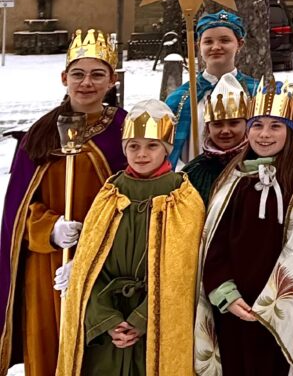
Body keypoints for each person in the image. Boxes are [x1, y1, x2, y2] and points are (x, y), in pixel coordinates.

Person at [1, 29, 127, 376]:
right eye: (78, 74)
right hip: (47, 270)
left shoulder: (125, 130)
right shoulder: (40, 133)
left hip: (106, 265)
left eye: (97, 74)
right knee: (50, 350)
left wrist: (93, 246)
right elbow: (18, 210)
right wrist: (50, 229)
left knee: (98, 353)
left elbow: (139, 198)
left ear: (111, 80)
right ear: (64, 78)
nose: (87, 83)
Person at [54, 100, 205, 376]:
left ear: (166, 150)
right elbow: (91, 267)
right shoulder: (110, 195)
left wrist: (142, 319)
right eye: (133, 145)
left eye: (152, 145)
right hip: (105, 334)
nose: (142, 154)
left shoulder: (182, 199)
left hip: (155, 329)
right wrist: (108, 319)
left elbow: (183, 276)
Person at [195, 79, 293, 376]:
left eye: (275, 126)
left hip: (277, 314)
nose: (265, 135)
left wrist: (271, 303)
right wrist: (223, 291)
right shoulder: (235, 175)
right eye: (257, 126)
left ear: (290, 131)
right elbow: (214, 239)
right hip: (232, 306)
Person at [163, 9, 258, 167]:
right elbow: (168, 148)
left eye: (224, 40)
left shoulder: (255, 92)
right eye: (208, 42)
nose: (216, 47)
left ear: (239, 44)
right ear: (198, 46)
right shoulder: (180, 98)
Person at [181, 74, 251, 205]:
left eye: (233, 123)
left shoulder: (259, 165)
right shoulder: (193, 171)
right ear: (208, 128)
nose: (225, 131)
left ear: (247, 125)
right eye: (217, 124)